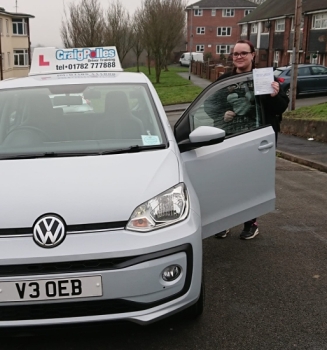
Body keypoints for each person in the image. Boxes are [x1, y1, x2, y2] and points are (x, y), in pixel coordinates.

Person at [210, 39, 289, 240]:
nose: (239, 57)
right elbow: (210, 106)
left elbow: (280, 108)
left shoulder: (264, 78)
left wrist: (274, 96)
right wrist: (222, 115)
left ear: (253, 55)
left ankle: (250, 222)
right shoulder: (224, 81)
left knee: (251, 182)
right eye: (236, 54)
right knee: (226, 180)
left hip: (258, 139)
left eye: (243, 53)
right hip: (231, 136)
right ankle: (223, 222)